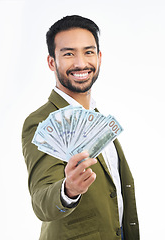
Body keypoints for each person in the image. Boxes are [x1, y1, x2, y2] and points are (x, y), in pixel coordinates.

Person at [22, 15, 140, 240]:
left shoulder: (98, 119)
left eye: (88, 52)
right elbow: (41, 201)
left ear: (99, 57)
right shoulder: (40, 121)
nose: (80, 63)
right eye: (68, 53)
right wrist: (68, 191)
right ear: (51, 62)